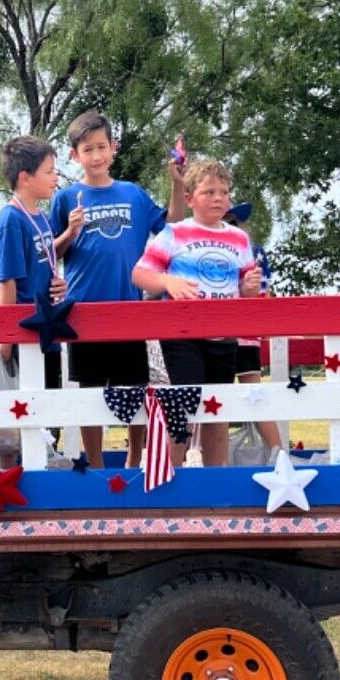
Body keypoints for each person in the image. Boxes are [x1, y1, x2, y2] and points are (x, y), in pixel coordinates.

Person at [51, 110, 179, 467]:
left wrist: (177, 183)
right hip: (83, 310)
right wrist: (69, 233)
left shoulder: (134, 194)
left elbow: (171, 225)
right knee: (91, 389)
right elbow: (48, 253)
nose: (95, 156)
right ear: (74, 155)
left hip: (129, 308)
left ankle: (134, 458)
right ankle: (94, 464)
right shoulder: (65, 199)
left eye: (101, 147)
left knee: (133, 386)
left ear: (114, 148)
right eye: (87, 149)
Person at [131, 158, 262, 467]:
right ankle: (174, 476)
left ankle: (217, 479)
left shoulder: (239, 238)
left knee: (219, 408)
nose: (218, 198)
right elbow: (140, 274)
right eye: (209, 192)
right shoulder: (174, 233)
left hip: (224, 335)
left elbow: (244, 288)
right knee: (183, 402)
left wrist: (249, 287)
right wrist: (167, 281)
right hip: (182, 335)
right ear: (189, 199)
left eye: (224, 192)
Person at [0, 135, 67, 387]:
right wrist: (6, 340)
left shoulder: (42, 218)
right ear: (25, 177)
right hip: (23, 333)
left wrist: (59, 286)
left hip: (49, 332)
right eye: (49, 171)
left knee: (50, 418)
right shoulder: (11, 220)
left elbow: (45, 265)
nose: (55, 177)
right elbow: (7, 283)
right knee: (26, 418)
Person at [224, 198, 284, 456]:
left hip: (227, 332)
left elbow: (264, 294)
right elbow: (265, 295)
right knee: (251, 395)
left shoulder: (240, 250)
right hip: (245, 331)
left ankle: (214, 459)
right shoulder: (254, 251)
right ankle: (278, 454)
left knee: (219, 398)